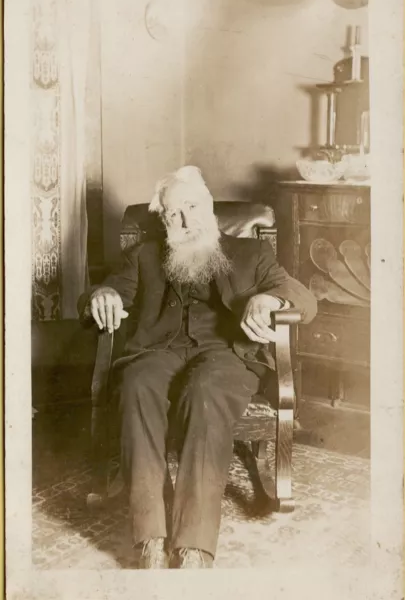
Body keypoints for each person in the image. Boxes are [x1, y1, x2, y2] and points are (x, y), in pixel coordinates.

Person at [80, 165, 317, 569]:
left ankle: (194, 547)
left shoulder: (250, 253)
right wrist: (102, 296)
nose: (186, 220)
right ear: (164, 219)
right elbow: (108, 292)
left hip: (227, 355)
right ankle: (150, 539)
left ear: (208, 208)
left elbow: (302, 298)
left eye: (192, 206)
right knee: (136, 383)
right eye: (175, 213)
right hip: (157, 352)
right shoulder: (144, 256)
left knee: (204, 392)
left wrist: (270, 301)